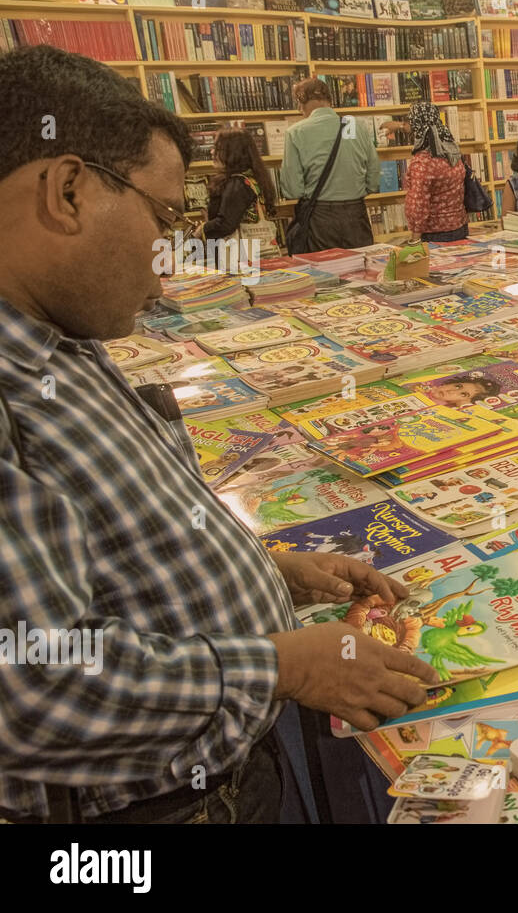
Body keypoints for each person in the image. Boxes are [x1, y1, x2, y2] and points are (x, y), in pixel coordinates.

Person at [0, 46, 437, 823]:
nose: (165, 271)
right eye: (163, 219)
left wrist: (273, 567)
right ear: (67, 191)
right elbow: (30, 688)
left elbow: (114, 536)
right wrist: (278, 667)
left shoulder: (58, 337)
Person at [280, 76, 380, 250]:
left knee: (326, 270)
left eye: (298, 103)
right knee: (362, 268)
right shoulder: (355, 126)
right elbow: (373, 177)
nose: (298, 109)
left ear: (302, 101)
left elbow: (292, 189)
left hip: (320, 216)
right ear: (328, 100)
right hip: (355, 212)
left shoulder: (296, 132)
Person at [201, 127, 282, 262]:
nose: (212, 152)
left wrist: (202, 229)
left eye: (218, 149)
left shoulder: (237, 184)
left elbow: (226, 224)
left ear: (233, 153)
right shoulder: (253, 179)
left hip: (238, 258)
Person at [403, 101, 469, 243]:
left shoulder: (422, 162)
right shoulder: (453, 152)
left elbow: (418, 204)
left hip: (434, 232)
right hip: (460, 226)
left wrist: (415, 238)